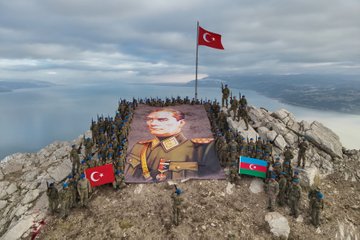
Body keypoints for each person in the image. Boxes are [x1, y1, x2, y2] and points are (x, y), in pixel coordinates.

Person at [125, 108, 222, 182]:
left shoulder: (201, 149)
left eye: (162, 120)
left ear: (181, 123)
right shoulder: (140, 147)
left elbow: (213, 177)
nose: (153, 123)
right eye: (150, 119)